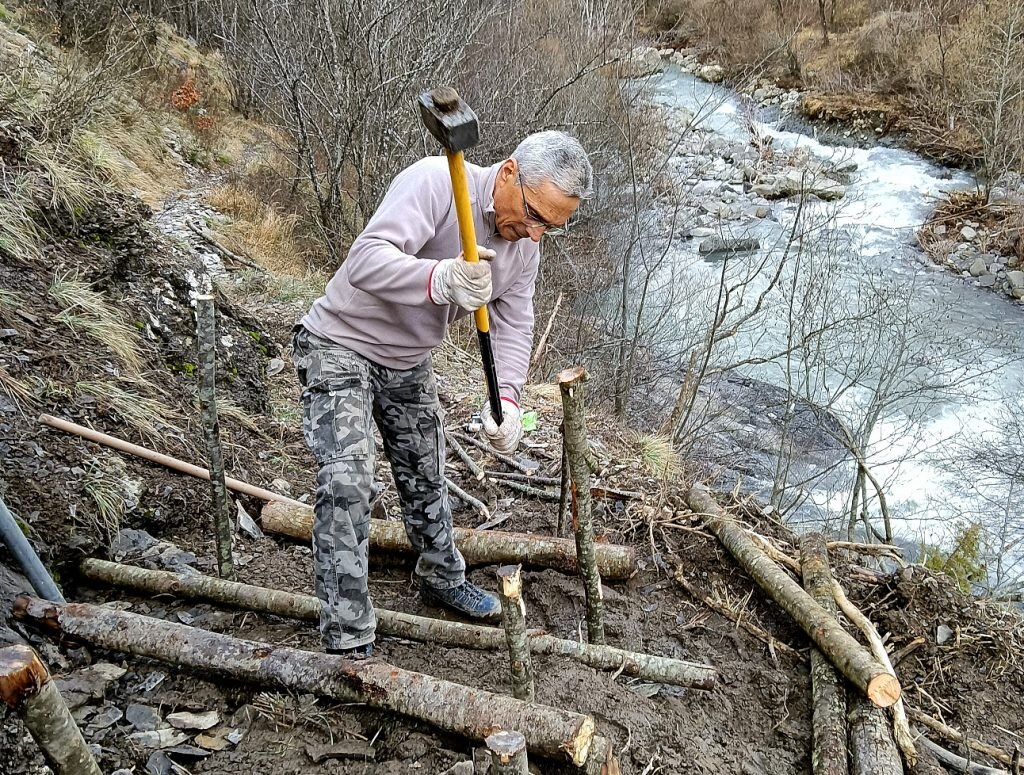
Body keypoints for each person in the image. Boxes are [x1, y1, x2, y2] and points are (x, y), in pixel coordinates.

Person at [292, 130, 592, 657]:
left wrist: (511, 401)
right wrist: (439, 279)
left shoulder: (523, 250)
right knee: (349, 477)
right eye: (535, 215)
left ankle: (441, 575)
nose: (537, 233)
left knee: (427, 475)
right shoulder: (436, 182)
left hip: (408, 360)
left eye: (552, 226)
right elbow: (364, 260)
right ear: (507, 173)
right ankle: (347, 634)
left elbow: (514, 325)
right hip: (339, 343)